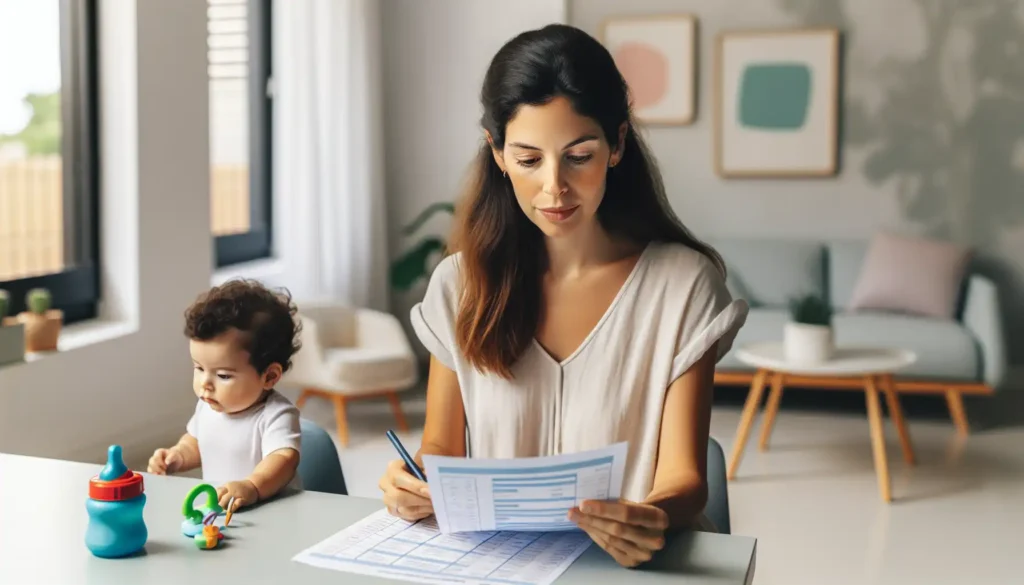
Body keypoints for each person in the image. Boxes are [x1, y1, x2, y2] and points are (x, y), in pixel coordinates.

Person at [379, 23, 748, 568]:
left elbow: (685, 479)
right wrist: (412, 480)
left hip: (632, 570)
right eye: (529, 159)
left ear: (617, 144)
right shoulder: (459, 286)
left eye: (579, 155)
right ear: (498, 153)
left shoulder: (683, 287)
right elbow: (442, 448)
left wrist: (655, 515)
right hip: (497, 567)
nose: (555, 186)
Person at [147, 279, 304, 514]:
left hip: (272, 514)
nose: (205, 385)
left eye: (223, 375)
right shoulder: (208, 407)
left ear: (269, 376)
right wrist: (177, 456)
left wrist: (252, 486)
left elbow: (284, 460)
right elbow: (197, 442)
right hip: (222, 513)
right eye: (199, 368)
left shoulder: (276, 415)